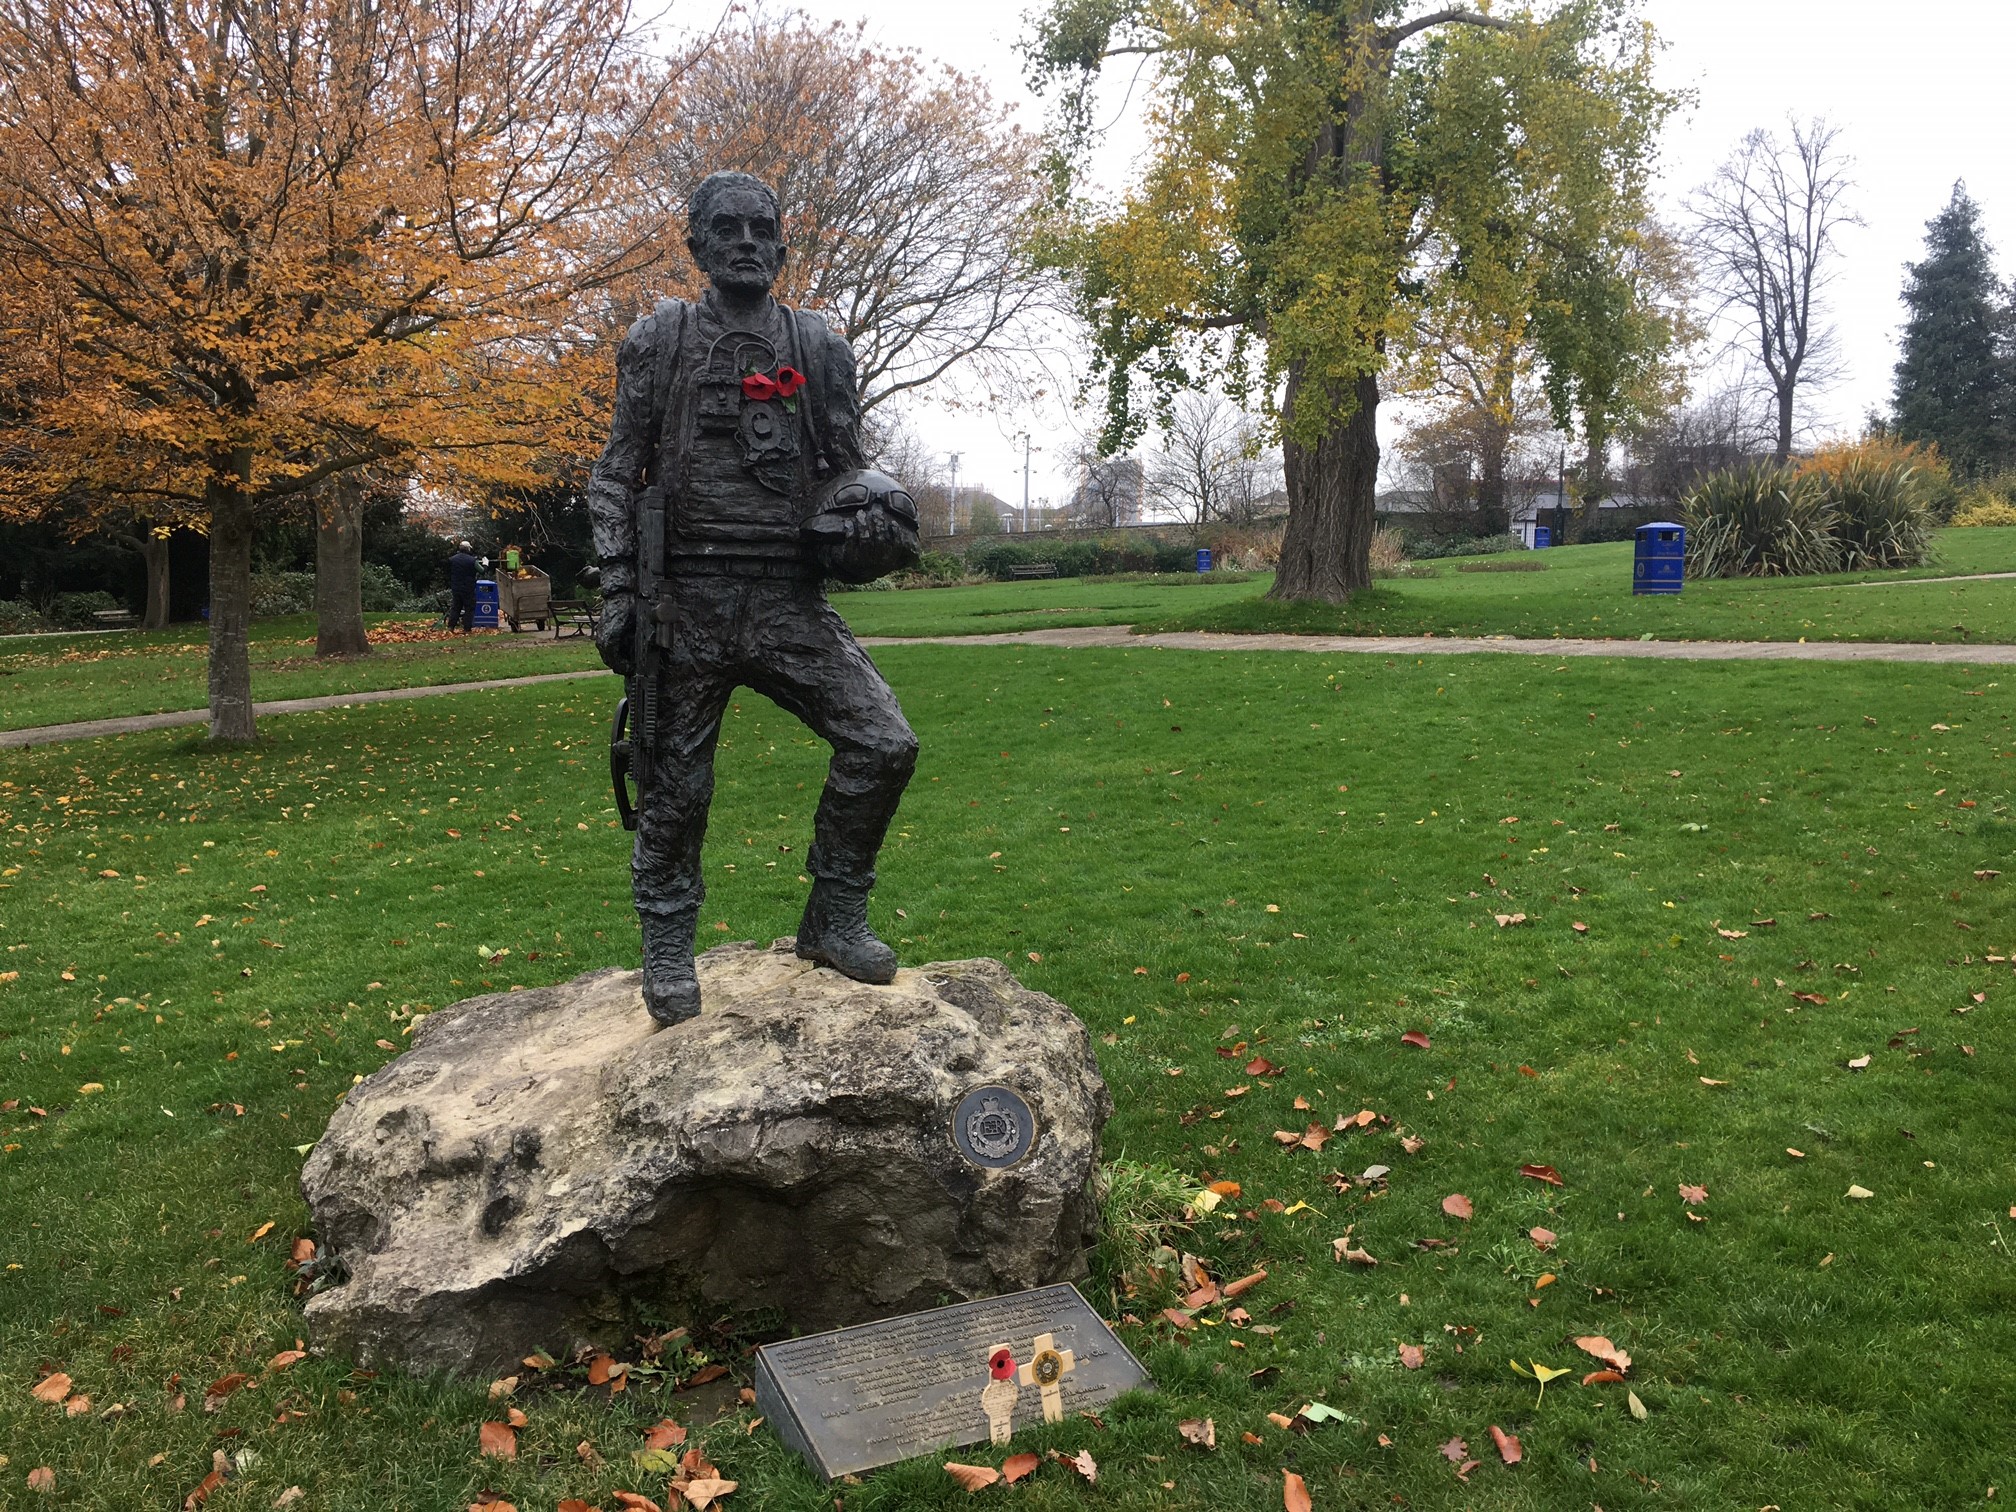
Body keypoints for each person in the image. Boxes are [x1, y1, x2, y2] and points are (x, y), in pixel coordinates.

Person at [587, 171, 918, 1027]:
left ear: (779, 243)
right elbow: (616, 474)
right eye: (724, 228)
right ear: (695, 245)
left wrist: (875, 510)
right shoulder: (661, 341)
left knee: (882, 743)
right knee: (674, 786)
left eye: (760, 229)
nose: (744, 242)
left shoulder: (818, 349)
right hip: (683, 604)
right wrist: (619, 585)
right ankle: (667, 942)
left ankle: (834, 915)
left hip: (787, 602)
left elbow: (844, 461)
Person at [446, 540, 478, 633]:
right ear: (468, 549)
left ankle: (451, 627)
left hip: (456, 587)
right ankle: (467, 628)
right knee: (469, 608)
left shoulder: (452, 559)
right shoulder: (472, 560)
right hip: (468, 588)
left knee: (456, 607)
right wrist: (485, 564)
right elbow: (482, 570)